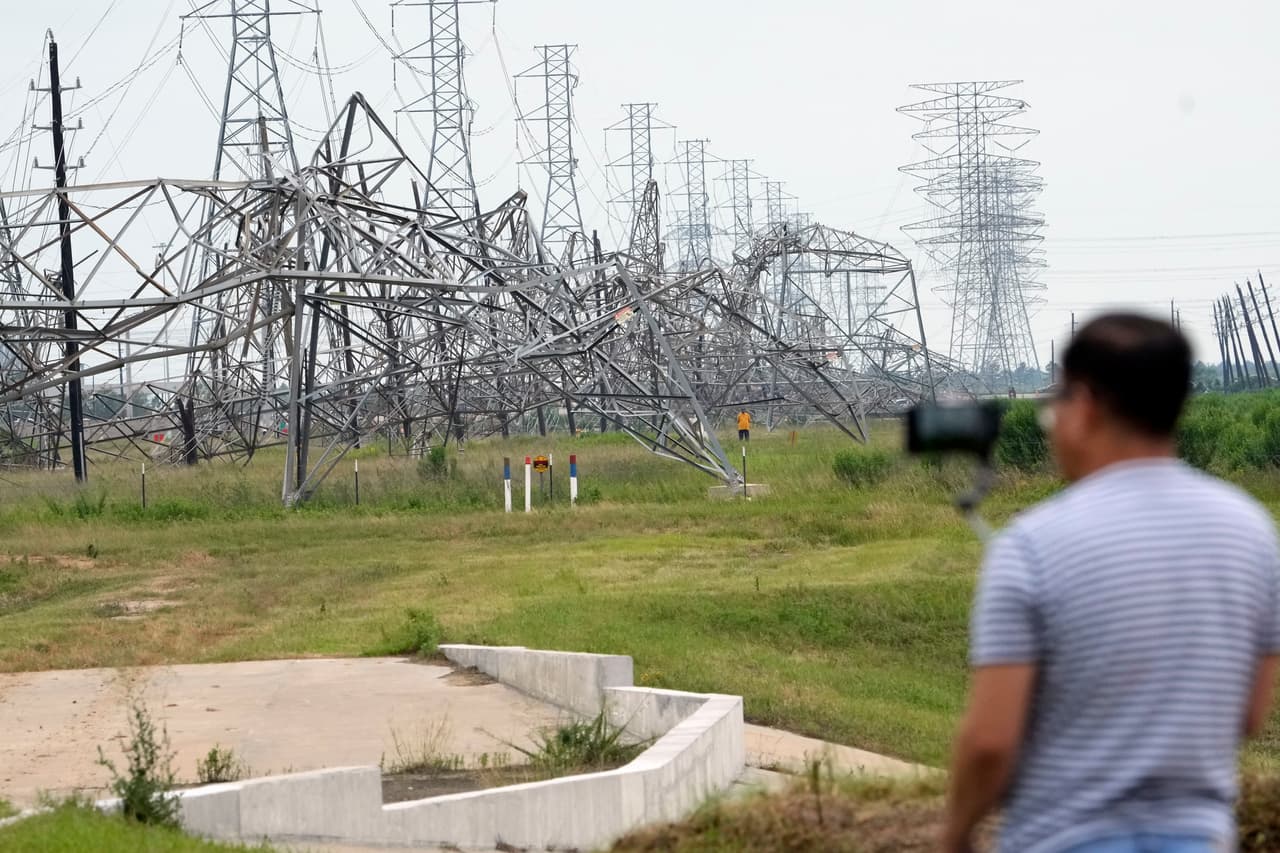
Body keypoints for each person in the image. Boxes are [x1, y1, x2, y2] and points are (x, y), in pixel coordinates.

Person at [942, 314, 1280, 853]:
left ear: (1087, 404)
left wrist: (955, 834)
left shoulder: (1031, 544)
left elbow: (989, 741)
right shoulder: (1253, 530)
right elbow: (1250, 712)